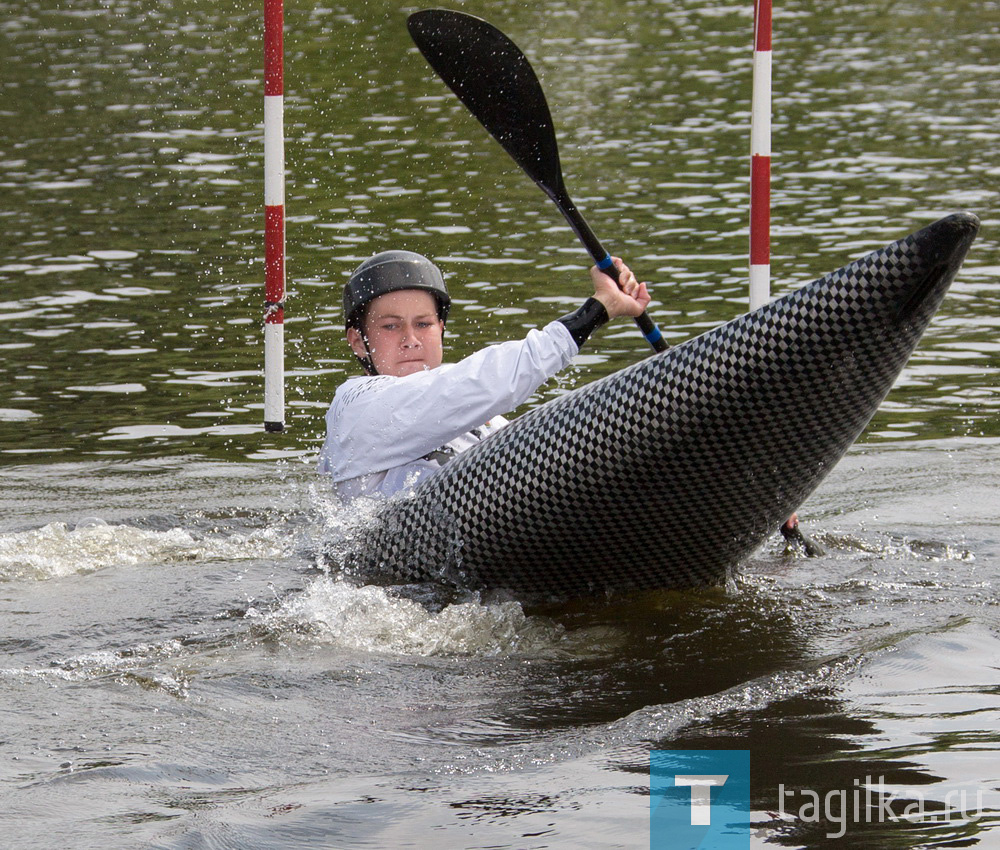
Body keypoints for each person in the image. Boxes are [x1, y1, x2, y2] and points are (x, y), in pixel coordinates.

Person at [317, 250, 650, 502]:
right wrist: (597, 309)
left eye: (424, 324)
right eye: (391, 326)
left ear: (441, 330)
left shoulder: (484, 418)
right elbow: (475, 383)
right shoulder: (354, 407)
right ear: (359, 342)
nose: (411, 338)